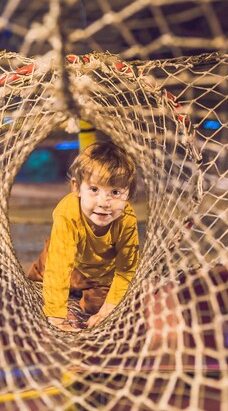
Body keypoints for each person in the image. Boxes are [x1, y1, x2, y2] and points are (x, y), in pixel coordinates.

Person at [28, 141, 139, 331]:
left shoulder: (126, 220)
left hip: (101, 275)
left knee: (100, 310)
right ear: (77, 188)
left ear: (128, 195)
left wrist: (107, 309)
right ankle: (57, 299)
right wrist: (56, 315)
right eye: (94, 190)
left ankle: (80, 302)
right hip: (64, 261)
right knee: (38, 286)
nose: (104, 202)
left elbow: (126, 270)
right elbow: (59, 265)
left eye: (115, 192)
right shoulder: (68, 213)